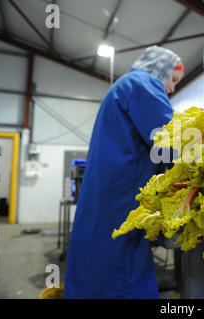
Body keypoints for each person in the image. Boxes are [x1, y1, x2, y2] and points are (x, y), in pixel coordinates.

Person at [64, 46, 184, 299]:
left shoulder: (125, 85)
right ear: (161, 70)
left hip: (109, 200)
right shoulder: (143, 85)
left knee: (97, 268)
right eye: (173, 80)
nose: (172, 89)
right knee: (120, 277)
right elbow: (174, 143)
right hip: (122, 203)